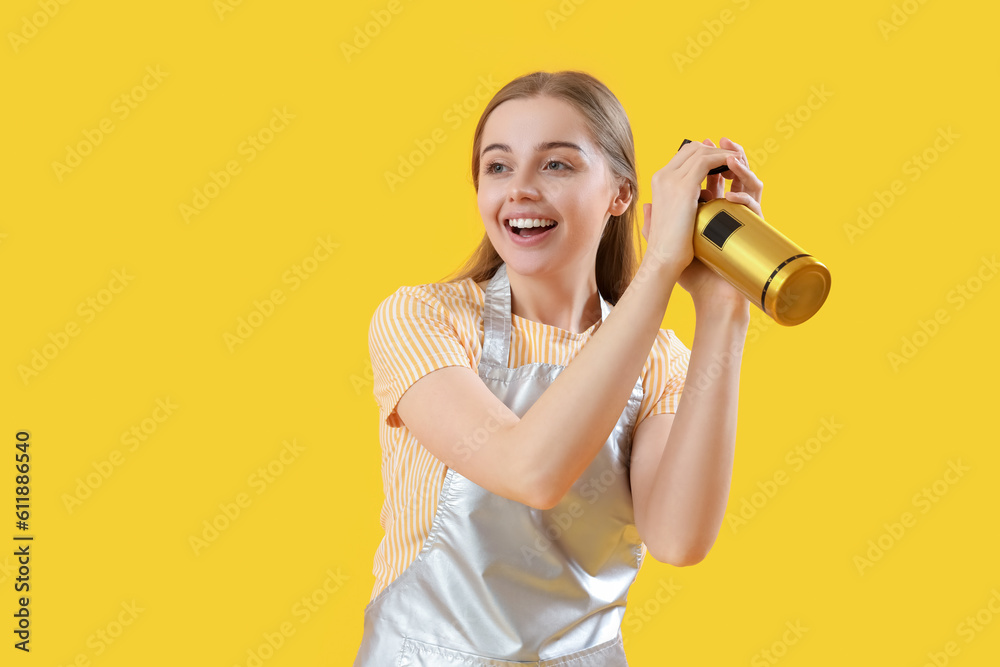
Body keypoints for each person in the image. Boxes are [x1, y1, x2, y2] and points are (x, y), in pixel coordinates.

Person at [355, 70, 763, 666]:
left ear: (620, 194)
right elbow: (531, 472)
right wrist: (660, 268)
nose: (519, 189)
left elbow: (678, 538)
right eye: (498, 167)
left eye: (557, 165)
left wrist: (723, 310)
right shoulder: (422, 319)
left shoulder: (659, 360)